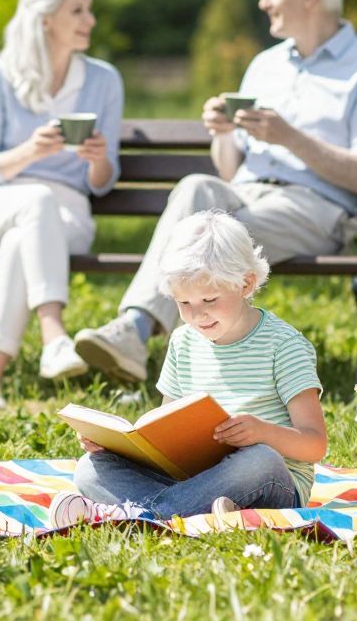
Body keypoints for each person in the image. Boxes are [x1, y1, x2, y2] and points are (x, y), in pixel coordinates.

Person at [71, 0, 357, 384]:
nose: (264, 1)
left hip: (315, 210)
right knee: (196, 187)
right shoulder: (266, 65)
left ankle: (156, 345)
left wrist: (288, 137)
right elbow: (229, 171)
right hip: (246, 194)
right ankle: (135, 328)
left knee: (210, 234)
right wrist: (224, 133)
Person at [52, 211, 326, 526]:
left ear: (246, 283)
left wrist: (262, 432)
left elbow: (315, 444)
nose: (198, 315)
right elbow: (165, 429)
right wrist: (120, 446)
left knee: (259, 459)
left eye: (209, 299)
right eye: (184, 304)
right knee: (90, 466)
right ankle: (203, 512)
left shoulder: (284, 345)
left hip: (272, 482)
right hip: (193, 481)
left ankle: (133, 514)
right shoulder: (183, 342)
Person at [0, 0, 123, 410]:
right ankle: (53, 333)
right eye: (78, 10)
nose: (90, 20)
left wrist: (97, 161)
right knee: (34, 201)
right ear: (46, 18)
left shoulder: (104, 80)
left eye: (88, 10)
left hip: (67, 214)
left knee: (23, 237)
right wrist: (28, 153)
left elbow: (105, 183)